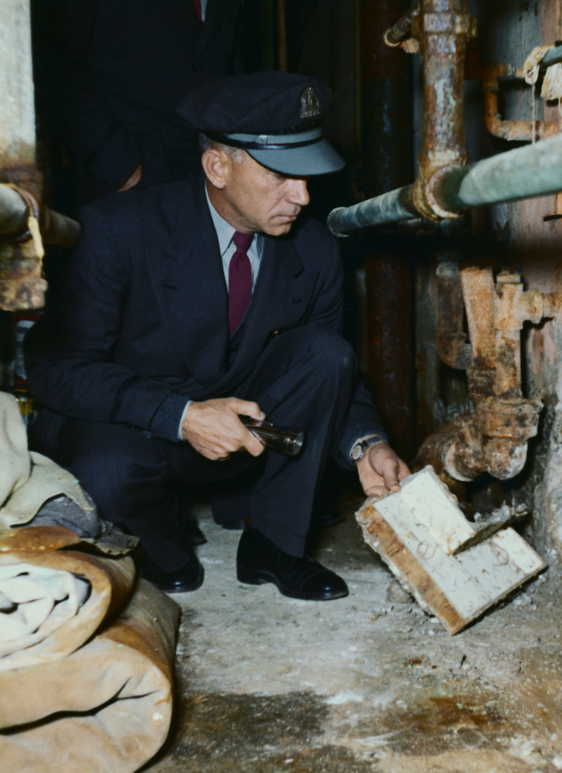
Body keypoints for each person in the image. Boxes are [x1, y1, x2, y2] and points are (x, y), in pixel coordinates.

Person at [24, 70, 410, 599]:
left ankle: (273, 545)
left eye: (308, 175)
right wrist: (180, 416)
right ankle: (160, 548)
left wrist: (366, 443)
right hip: (140, 431)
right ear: (217, 166)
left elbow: (331, 371)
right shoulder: (119, 229)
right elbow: (55, 368)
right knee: (107, 472)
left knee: (327, 352)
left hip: (246, 442)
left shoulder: (314, 248)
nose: (301, 195)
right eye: (281, 174)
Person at [50, 0, 245, 205]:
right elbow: (56, 63)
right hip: (127, 179)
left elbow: (228, 64)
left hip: (208, 181)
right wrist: (115, 162)